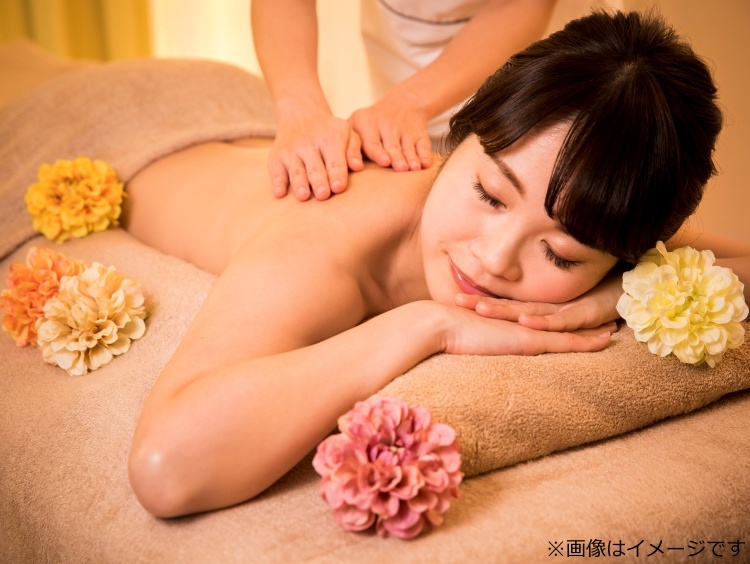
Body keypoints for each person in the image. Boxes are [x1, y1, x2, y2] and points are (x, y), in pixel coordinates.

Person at [126, 11, 746, 518]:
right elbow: (165, 468)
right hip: (148, 138)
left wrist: (616, 295)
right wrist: (425, 325)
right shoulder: (323, 247)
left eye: (560, 253)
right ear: (456, 137)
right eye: (489, 195)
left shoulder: (570, 200)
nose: (494, 258)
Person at [251, 0, 558, 201]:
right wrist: (299, 106)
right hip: (394, 49)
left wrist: (412, 101)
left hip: (526, 75)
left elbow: (522, 3)